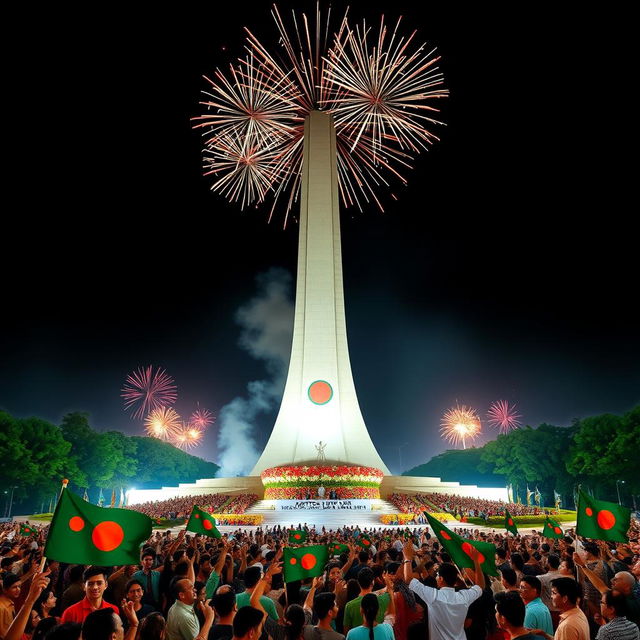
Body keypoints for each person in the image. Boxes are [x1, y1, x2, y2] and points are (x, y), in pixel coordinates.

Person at [403, 540, 485, 640]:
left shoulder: (433, 596)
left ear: (441, 579)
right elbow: (480, 586)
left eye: (438, 575)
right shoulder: (464, 596)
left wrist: (407, 558)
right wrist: (476, 561)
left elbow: (408, 579)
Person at [343, 568, 391, 632]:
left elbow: (346, 631)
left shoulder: (349, 605)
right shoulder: (384, 599)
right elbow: (389, 590)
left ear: (358, 582)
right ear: (373, 582)